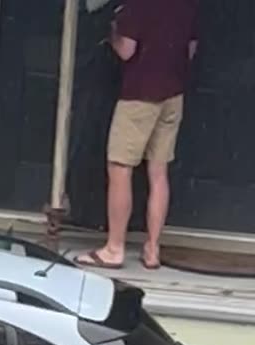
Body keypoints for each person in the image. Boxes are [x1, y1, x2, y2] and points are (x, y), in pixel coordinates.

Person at [76, 0, 199, 270]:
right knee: (158, 171)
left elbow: (126, 51)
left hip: (139, 97)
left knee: (120, 167)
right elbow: (190, 50)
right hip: (173, 96)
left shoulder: (137, 5)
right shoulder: (188, 5)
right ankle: (152, 248)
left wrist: (111, 32)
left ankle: (114, 248)